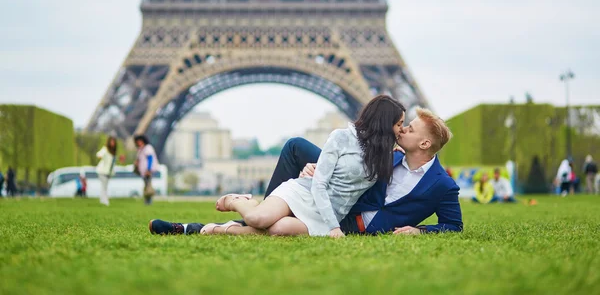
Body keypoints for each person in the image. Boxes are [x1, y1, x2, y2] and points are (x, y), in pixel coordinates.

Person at [150, 104, 462, 236]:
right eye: (401, 125)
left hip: (345, 220)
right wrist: (324, 166)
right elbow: (352, 153)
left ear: (424, 144)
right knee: (297, 147)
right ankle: (254, 207)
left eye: (408, 128)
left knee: (272, 230)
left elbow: (454, 226)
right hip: (330, 200)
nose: (402, 130)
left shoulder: (442, 186)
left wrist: (419, 230)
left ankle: (195, 229)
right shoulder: (387, 152)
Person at [134, 134, 159, 205]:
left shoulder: (148, 148)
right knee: (146, 186)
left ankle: (149, 202)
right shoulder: (140, 149)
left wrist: (148, 169)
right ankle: (147, 201)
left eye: (140, 141)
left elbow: (150, 159)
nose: (139, 143)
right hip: (143, 171)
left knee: (148, 186)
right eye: (137, 141)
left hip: (148, 171)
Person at [96, 136, 118, 206]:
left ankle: (102, 200)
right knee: (104, 186)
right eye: (111, 142)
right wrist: (100, 156)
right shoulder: (105, 149)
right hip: (102, 171)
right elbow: (99, 154)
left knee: (105, 186)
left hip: (108, 172)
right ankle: (105, 201)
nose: (112, 143)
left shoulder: (113, 152)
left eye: (113, 142)